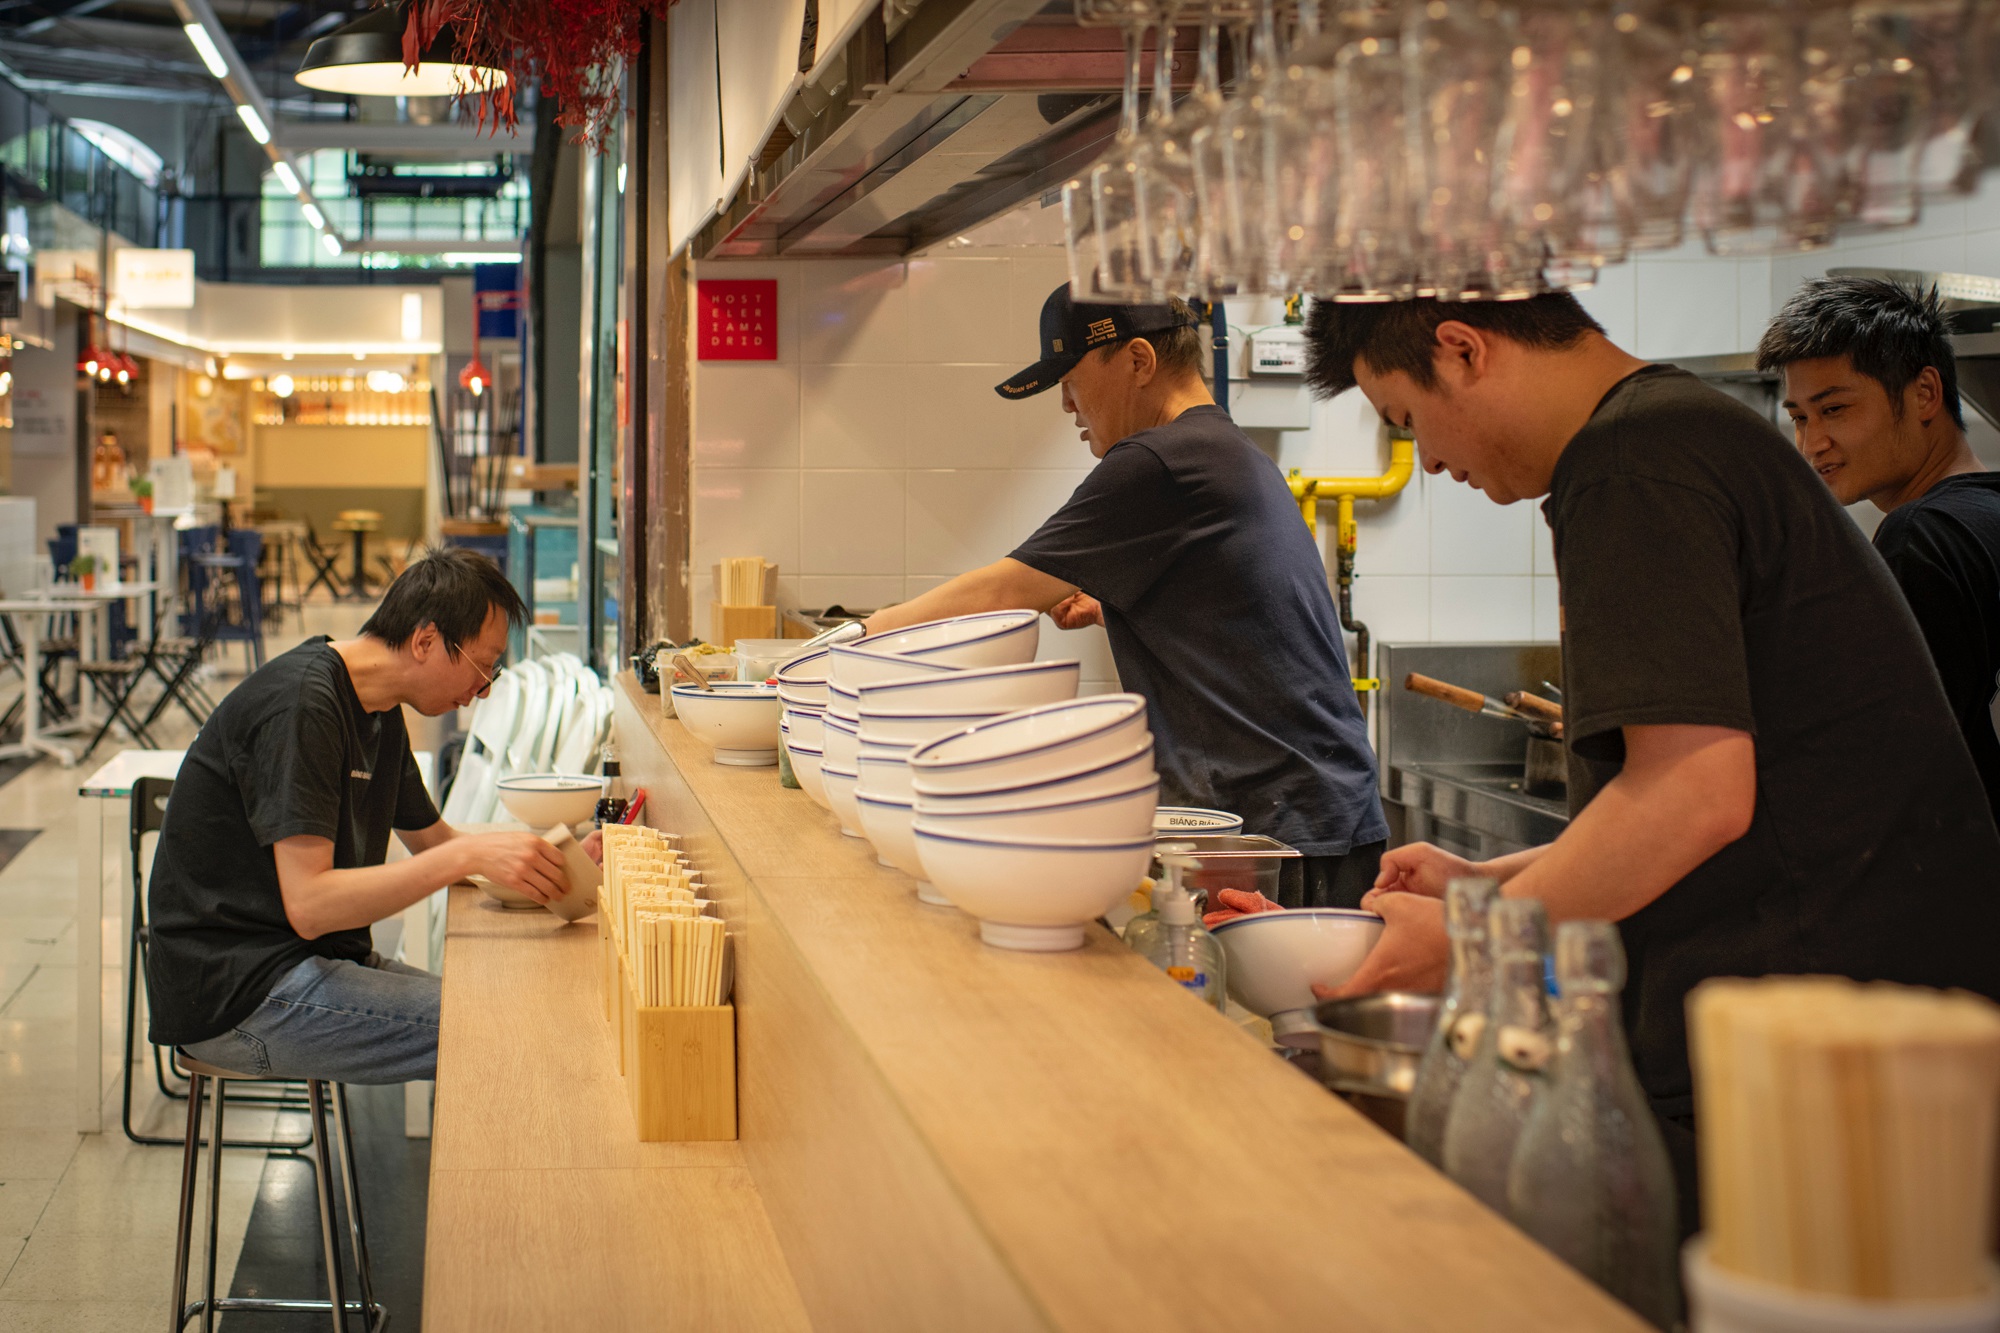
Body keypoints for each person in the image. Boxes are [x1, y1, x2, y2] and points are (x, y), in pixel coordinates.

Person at [1300, 291, 2000, 1232]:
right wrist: (1488, 881)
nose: (1424, 458)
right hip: (1847, 1042)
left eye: (1406, 420)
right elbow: (1712, 788)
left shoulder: (1630, 462)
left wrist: (1477, 937)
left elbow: (1695, 794)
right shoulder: (1670, 431)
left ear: (1462, 350)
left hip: (1816, 1061)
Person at [861, 285, 1387, 904]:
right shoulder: (1215, 446)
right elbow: (1234, 610)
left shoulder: (1160, 460)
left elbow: (1008, 587)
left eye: (1071, 379)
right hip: (1303, 816)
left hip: (1285, 833)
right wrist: (1123, 605)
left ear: (1138, 360)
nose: (1066, 404)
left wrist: (867, 633)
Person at [146, 547, 572, 1084]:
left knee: (507, 1012)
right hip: (239, 995)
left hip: (304, 963)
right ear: (425, 640)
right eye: (481, 667)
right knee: (496, 1029)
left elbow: (433, 843)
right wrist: (469, 853)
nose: (483, 689)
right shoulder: (303, 704)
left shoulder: (380, 709)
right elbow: (311, 905)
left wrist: (557, 863)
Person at [1756, 276, 2000, 823]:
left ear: (1924, 394)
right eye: (1799, 417)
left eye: (1835, 409)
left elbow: (1883, 767)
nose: (1811, 443)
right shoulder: (1984, 515)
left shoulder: (1922, 537)